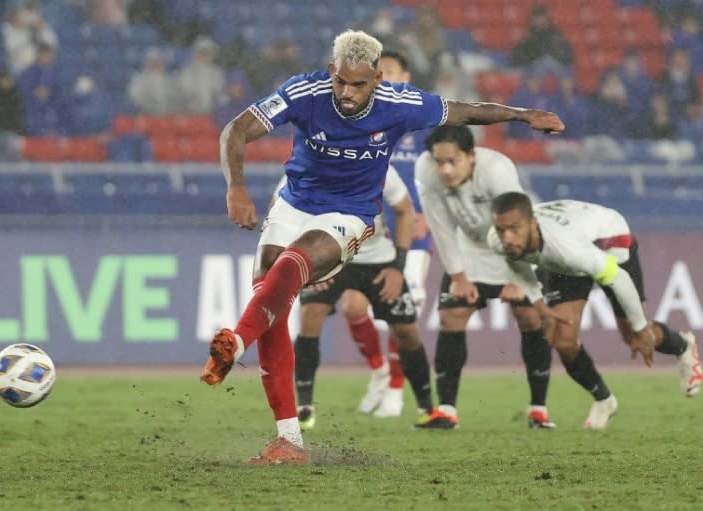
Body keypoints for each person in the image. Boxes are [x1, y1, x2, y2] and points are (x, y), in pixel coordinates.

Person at [200, 29, 564, 465]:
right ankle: (288, 441)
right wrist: (236, 189)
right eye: (340, 82)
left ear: (376, 78)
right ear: (332, 72)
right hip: (294, 203)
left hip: (350, 212)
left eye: (358, 84)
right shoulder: (303, 90)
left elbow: (466, 112)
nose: (347, 93)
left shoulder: (402, 103)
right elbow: (236, 130)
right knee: (269, 300)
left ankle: (235, 343)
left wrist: (523, 115)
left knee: (293, 266)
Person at [488, 193, 703, 429]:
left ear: (533, 224)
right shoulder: (498, 239)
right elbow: (516, 264)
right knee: (563, 340)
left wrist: (641, 328)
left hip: (609, 240)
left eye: (514, 229)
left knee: (633, 336)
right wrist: (539, 303)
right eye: (501, 230)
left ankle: (683, 346)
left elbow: (618, 277)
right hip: (571, 247)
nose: (507, 237)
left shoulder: (568, 250)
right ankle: (604, 400)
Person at [413, 125, 555, 430]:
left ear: (471, 156)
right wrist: (458, 276)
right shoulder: (425, 171)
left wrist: (518, 280)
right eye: (440, 162)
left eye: (453, 161)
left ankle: (538, 410)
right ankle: (447, 411)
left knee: (531, 318)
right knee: (451, 316)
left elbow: (515, 226)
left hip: (516, 246)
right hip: (470, 247)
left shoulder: (497, 170)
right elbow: (440, 227)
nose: (446, 170)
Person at [288, 166, 435, 431]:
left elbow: (404, 210)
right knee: (310, 315)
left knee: (407, 331)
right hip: (329, 256)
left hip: (378, 259)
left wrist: (398, 267)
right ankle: (304, 408)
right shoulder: (310, 162)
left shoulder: (379, 167)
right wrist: (310, 263)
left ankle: (427, 409)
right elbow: (283, 211)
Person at [336, 50, 432, 419]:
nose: (385, 79)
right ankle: (379, 373)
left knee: (399, 317)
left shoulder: (422, 120)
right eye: (380, 74)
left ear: (405, 77)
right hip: (368, 228)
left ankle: (395, 389)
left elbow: (440, 175)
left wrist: (427, 215)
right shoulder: (360, 119)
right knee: (353, 306)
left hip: (413, 228)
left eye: (391, 72)